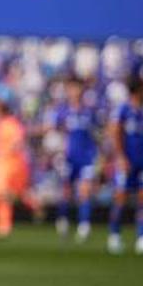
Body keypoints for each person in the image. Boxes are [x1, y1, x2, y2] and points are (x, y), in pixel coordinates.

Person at [106, 77, 143, 255]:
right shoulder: (123, 109)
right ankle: (114, 236)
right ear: (138, 90)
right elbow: (115, 132)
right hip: (127, 160)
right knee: (120, 198)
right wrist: (121, 157)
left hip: (142, 161)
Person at [50, 77, 100, 242]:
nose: (74, 92)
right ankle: (63, 220)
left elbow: (96, 134)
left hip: (86, 157)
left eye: (77, 88)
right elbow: (55, 131)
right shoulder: (62, 111)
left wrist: (97, 153)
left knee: (84, 191)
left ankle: (84, 226)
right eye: (71, 88)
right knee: (66, 191)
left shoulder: (89, 112)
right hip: (68, 157)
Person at [0, 98, 30, 239]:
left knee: (11, 194)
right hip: (5, 162)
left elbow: (18, 143)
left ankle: (35, 210)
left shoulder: (11, 124)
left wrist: (5, 151)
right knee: (3, 195)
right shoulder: (3, 124)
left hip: (10, 163)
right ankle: (3, 225)